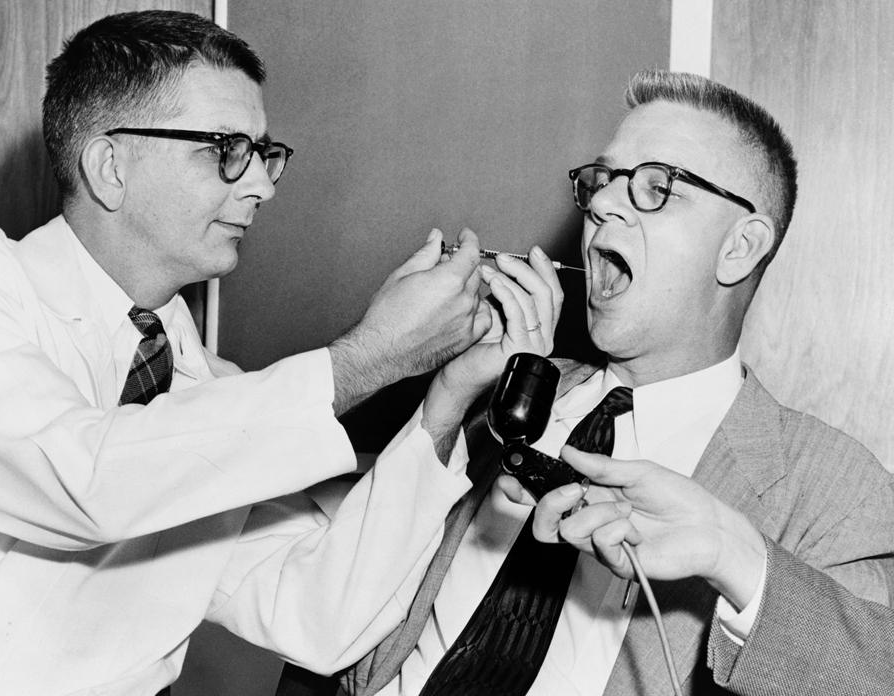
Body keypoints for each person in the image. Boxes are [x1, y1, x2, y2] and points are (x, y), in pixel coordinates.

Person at [0, 10, 565, 696]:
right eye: (226, 149)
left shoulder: (210, 391)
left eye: (264, 153)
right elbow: (84, 479)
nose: (262, 185)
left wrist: (444, 404)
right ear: (110, 167)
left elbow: (318, 617)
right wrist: (373, 357)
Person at [338, 70, 894, 695]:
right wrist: (447, 401)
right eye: (602, 182)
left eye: (657, 187)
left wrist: (736, 554)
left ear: (739, 247)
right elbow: (341, 618)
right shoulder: (502, 392)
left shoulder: (836, 489)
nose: (601, 204)